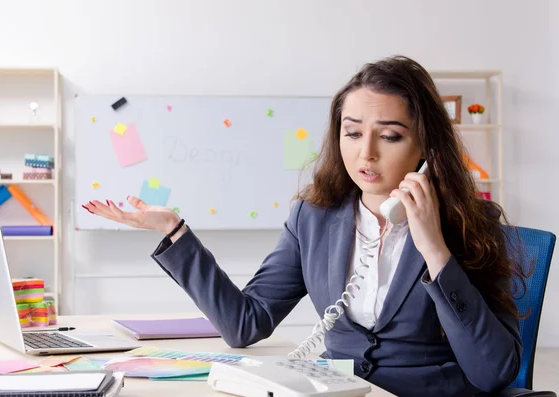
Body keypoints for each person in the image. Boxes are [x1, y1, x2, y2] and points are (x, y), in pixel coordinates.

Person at [82, 55, 528, 397]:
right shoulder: (313, 219)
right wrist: (175, 232)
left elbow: (492, 373)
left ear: (425, 145)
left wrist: (434, 248)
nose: (366, 153)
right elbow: (245, 324)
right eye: (352, 132)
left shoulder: (472, 223)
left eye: (389, 136)